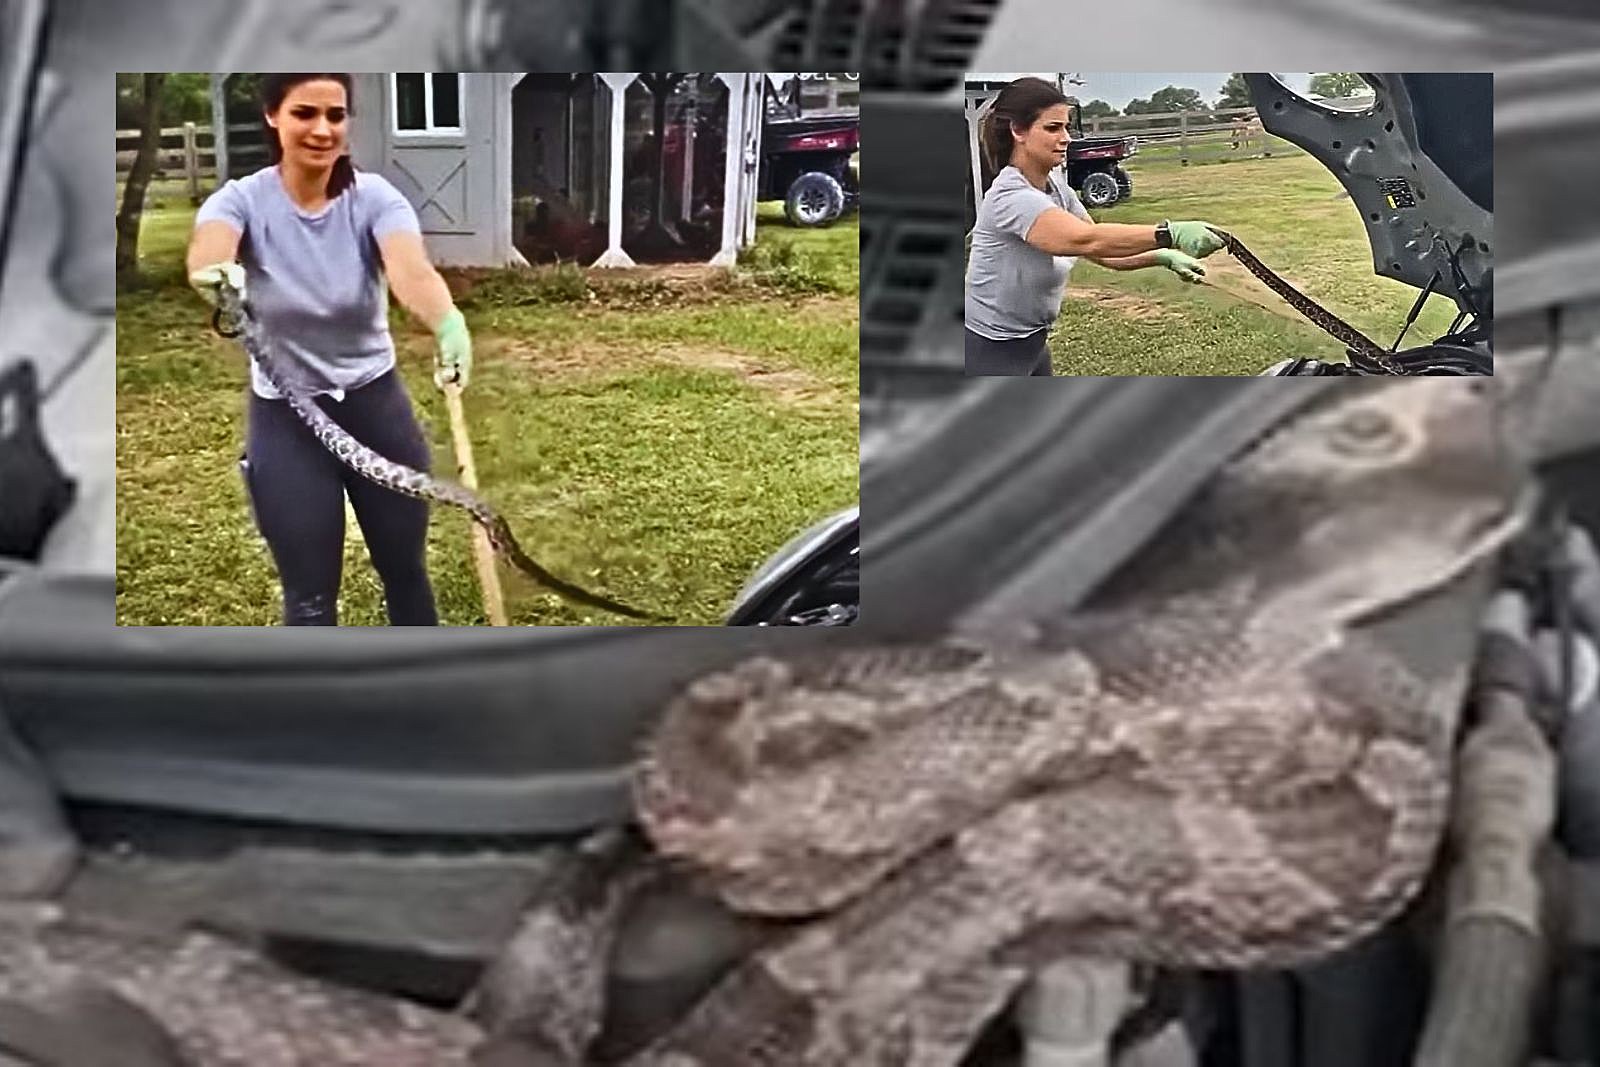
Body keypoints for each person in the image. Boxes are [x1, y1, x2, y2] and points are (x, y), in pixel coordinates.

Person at [185, 73, 472, 626]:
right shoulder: (241, 199)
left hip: (374, 403)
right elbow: (209, 247)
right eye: (304, 113)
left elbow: (410, 272)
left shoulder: (375, 199)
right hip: (286, 415)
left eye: (335, 116)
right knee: (310, 595)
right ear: (273, 116)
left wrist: (448, 321)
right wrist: (212, 273)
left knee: (405, 571)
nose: (322, 129)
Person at [965, 77, 1230, 376]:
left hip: (1031, 343)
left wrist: (1162, 257)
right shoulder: (1010, 197)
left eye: (1066, 126)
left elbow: (1105, 253)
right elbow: (1086, 240)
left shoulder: (1055, 189)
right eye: (1052, 128)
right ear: (1018, 131)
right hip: (989, 348)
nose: (1065, 137)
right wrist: (1169, 233)